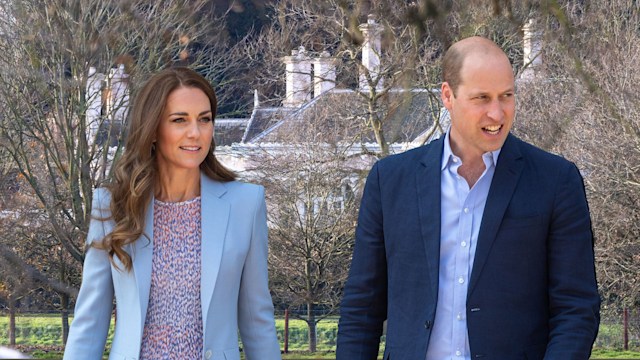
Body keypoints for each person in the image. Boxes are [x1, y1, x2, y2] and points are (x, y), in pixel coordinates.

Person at [336, 36, 600, 359]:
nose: (497, 112)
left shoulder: (557, 182)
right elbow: (361, 310)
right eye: (482, 98)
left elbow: (577, 310)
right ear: (448, 95)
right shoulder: (389, 181)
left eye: (506, 96)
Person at [63, 67, 281, 360]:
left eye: (204, 119)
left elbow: (258, 322)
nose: (196, 132)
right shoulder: (113, 205)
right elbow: (90, 322)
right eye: (180, 120)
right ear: (153, 129)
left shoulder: (246, 203)